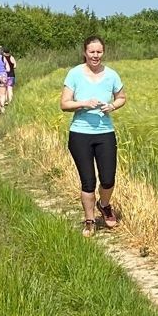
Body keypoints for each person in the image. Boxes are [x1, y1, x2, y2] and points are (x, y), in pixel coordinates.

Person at [61, 35, 126, 235]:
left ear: (103, 52)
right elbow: (64, 104)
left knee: (108, 179)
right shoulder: (74, 74)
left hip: (105, 133)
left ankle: (104, 204)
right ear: (85, 53)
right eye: (92, 52)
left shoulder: (112, 75)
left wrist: (112, 106)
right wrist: (84, 103)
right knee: (88, 180)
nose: (95, 56)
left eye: (99, 52)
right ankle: (89, 220)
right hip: (80, 134)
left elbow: (122, 97)